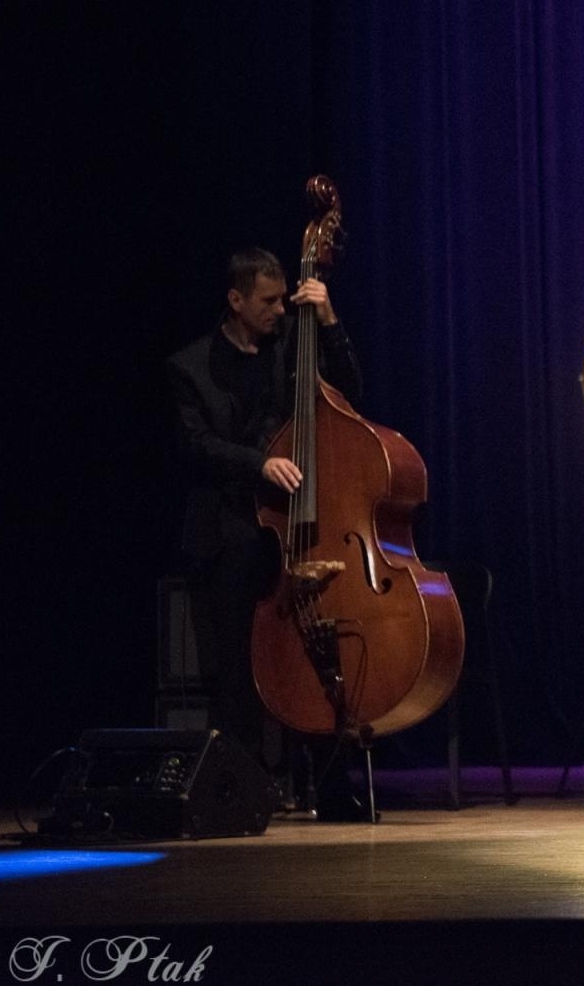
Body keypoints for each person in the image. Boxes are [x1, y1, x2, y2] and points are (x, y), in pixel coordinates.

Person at [167, 246, 364, 817]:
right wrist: (259, 464)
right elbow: (194, 445)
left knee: (318, 655)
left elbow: (348, 391)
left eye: (285, 299)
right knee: (236, 670)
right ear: (235, 300)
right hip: (229, 535)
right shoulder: (190, 366)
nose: (281, 310)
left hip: (293, 529)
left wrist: (327, 320)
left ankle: (330, 785)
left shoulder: (291, 352)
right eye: (268, 301)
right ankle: (244, 795)